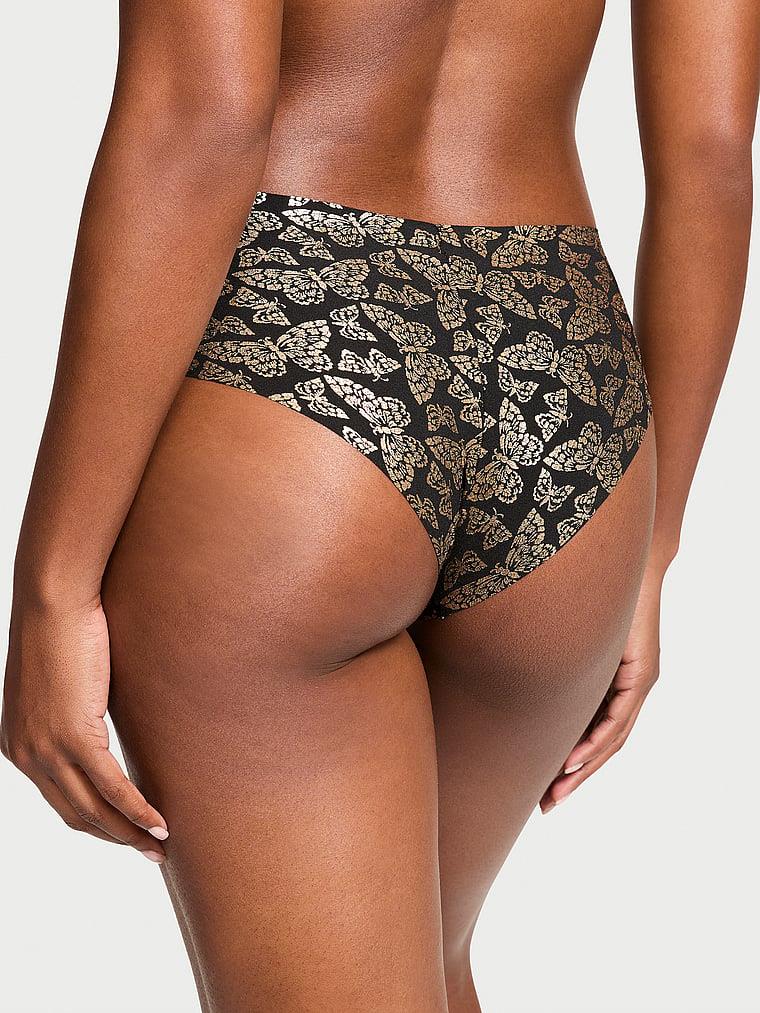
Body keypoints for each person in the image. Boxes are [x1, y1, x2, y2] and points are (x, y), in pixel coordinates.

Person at [2, 2, 757, 1010]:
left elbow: (203, 113)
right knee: (429, 967)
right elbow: (712, 153)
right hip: (562, 380)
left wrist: (53, 583)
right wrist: (652, 550)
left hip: (295, 355)